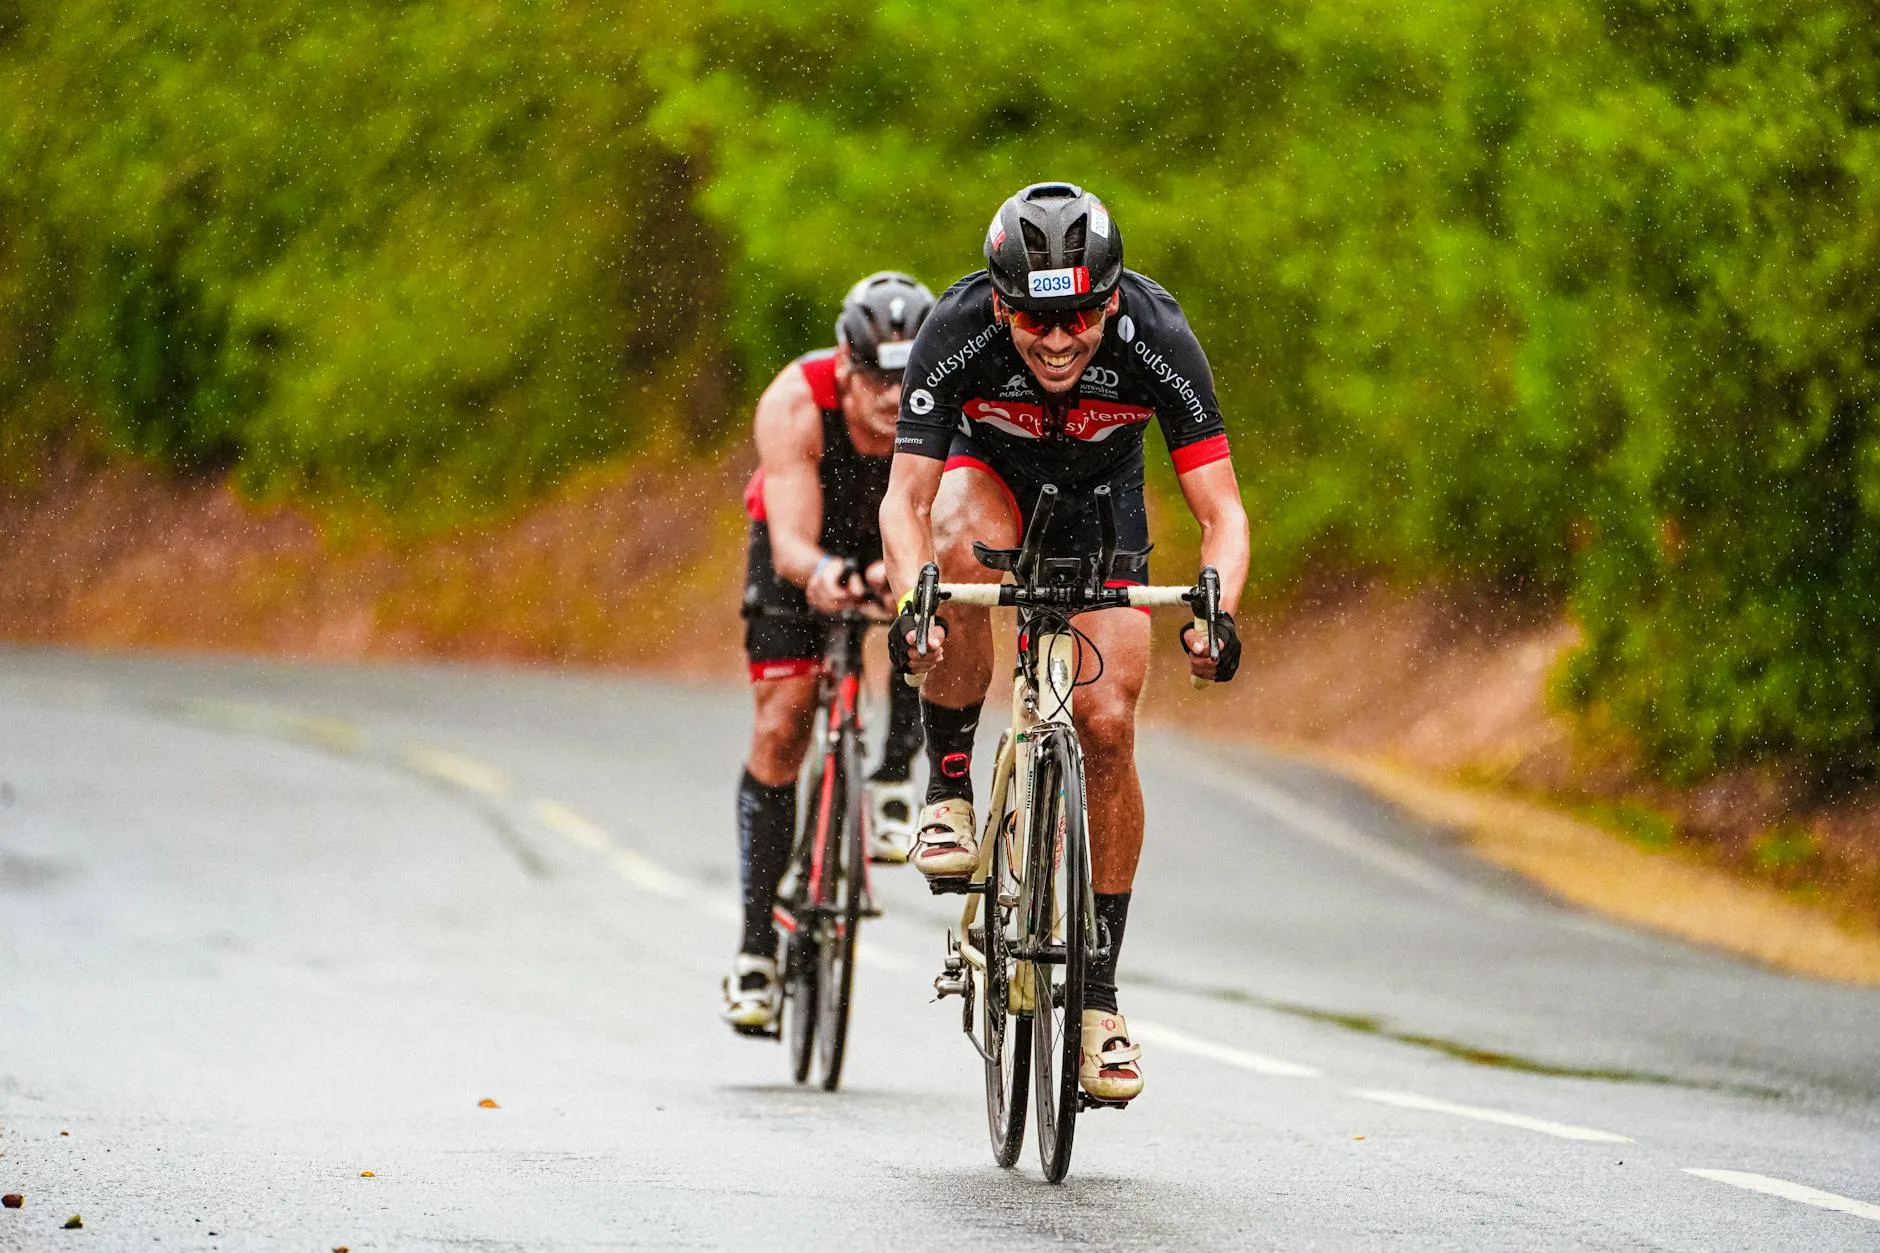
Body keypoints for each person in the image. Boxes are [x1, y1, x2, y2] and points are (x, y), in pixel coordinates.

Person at [879, 185, 1249, 1101]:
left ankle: (1095, 1000)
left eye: (1080, 313)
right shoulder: (959, 326)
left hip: (1099, 504)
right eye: (1035, 318)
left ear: (1113, 298)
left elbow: (1222, 511)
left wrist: (1218, 614)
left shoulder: (1157, 336)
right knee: (954, 547)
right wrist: (911, 606)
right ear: (1000, 304)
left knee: (1109, 723)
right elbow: (906, 503)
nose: (1057, 338)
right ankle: (952, 785)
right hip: (985, 478)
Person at [723, 271, 936, 1034]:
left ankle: (890, 775)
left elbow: (950, 516)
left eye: (909, 375)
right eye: (879, 374)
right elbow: (787, 544)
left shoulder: (944, 399)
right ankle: (755, 949)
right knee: (783, 722)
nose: (893, 392)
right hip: (804, 546)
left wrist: (901, 577)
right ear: (846, 366)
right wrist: (828, 575)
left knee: (933, 617)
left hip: (898, 542)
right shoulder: (794, 400)